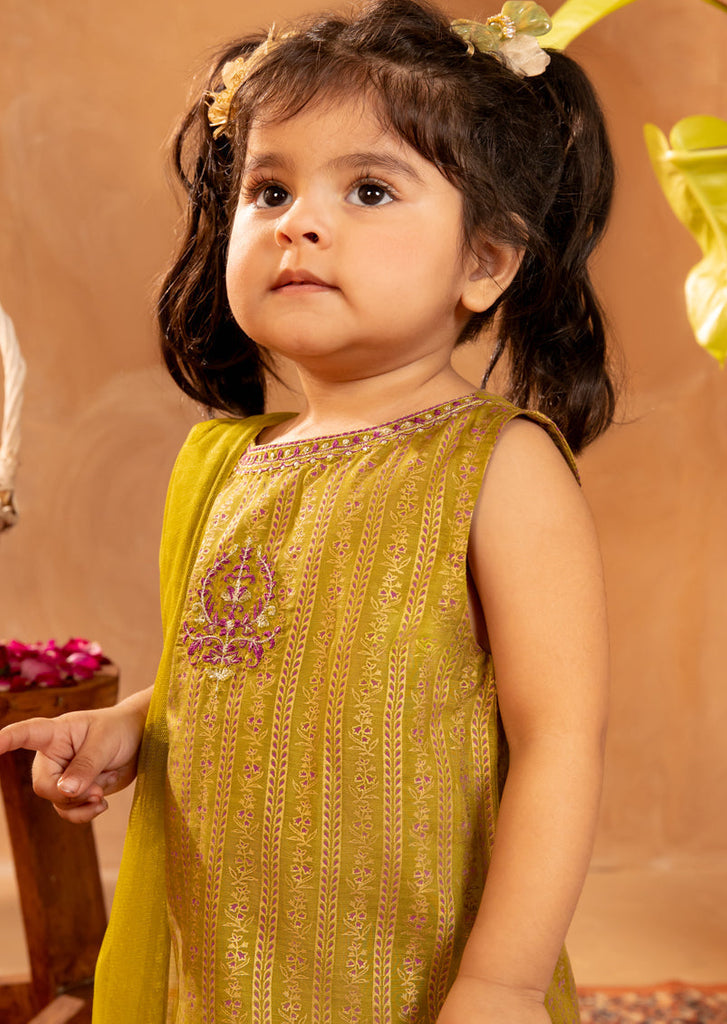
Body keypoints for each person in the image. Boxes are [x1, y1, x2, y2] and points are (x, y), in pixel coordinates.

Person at [0, 1, 614, 1020]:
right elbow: (241, 672)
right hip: (225, 960)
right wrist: (129, 725)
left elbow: (558, 740)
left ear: (484, 262)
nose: (298, 222)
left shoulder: (496, 467)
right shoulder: (225, 463)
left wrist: (499, 981)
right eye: (269, 189)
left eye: (369, 189)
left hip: (408, 968)